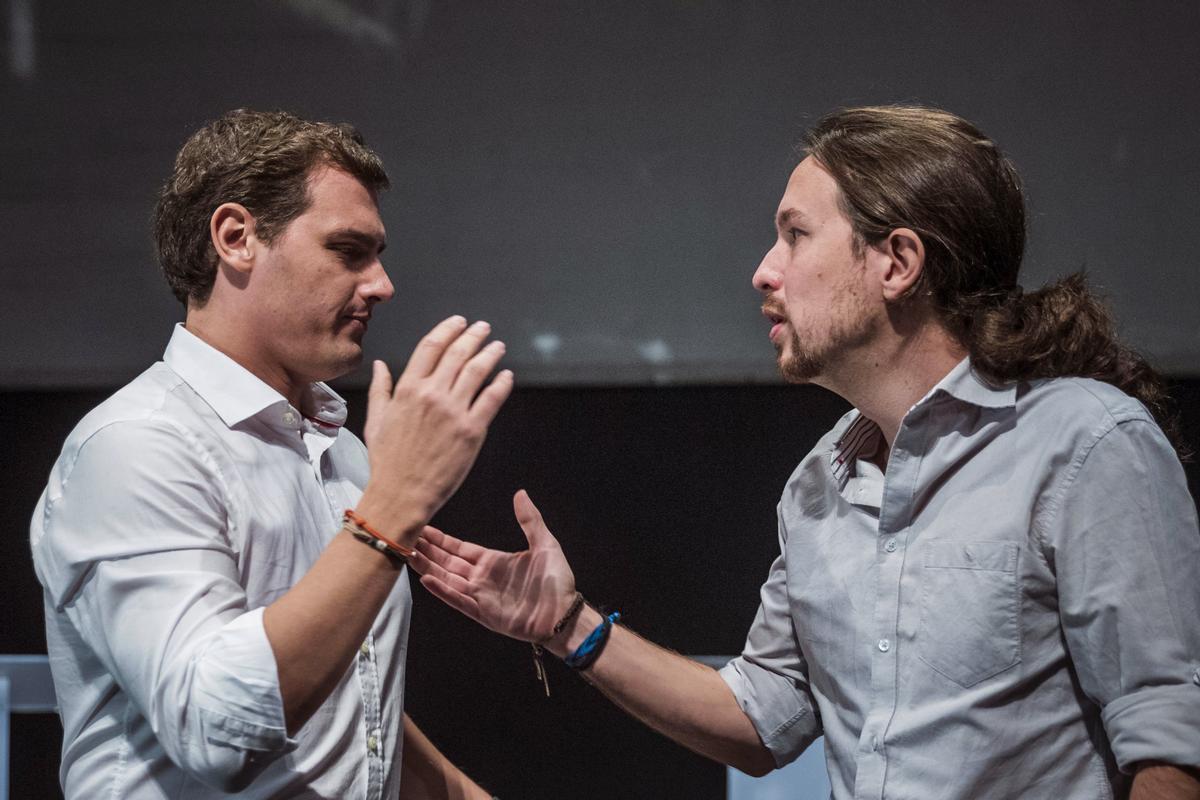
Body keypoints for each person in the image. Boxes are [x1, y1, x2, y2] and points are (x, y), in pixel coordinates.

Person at [411, 106, 1200, 798]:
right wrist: (569, 626)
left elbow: (1169, 736)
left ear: (897, 261)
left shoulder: (1086, 442)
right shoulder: (822, 481)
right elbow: (763, 720)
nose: (764, 270)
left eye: (795, 234)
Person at [30, 109, 511, 799]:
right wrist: (393, 511)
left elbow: (347, 710)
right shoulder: (137, 447)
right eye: (349, 250)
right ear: (236, 238)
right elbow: (215, 730)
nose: (382, 284)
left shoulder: (341, 455)